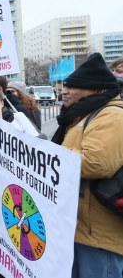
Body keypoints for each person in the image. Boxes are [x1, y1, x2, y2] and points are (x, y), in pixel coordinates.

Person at [50, 53, 123, 278]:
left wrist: (50, 156)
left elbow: (96, 162)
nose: (65, 91)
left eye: (72, 86)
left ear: (95, 89)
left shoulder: (112, 116)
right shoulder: (83, 115)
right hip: (80, 229)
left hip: (100, 236)